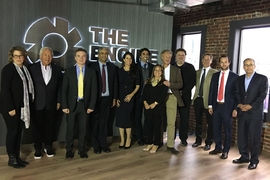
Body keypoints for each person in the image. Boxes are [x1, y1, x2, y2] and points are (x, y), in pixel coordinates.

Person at [0, 46, 34, 168]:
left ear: (24, 57)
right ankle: (12, 158)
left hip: (22, 107)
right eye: (16, 56)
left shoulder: (25, 69)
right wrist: (10, 108)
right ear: (12, 57)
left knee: (19, 132)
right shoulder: (8, 69)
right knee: (12, 132)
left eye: (21, 55)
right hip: (11, 108)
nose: (19, 58)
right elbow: (5, 90)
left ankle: (17, 156)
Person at [233, 58, 268, 170]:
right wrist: (239, 104)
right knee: (242, 136)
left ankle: (254, 161)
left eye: (250, 65)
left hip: (255, 113)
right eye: (246, 65)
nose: (248, 67)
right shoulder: (239, 79)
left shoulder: (262, 79)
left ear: (254, 66)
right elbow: (237, 93)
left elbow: (262, 95)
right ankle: (244, 156)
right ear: (243, 67)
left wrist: (251, 106)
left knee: (254, 138)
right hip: (242, 112)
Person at [62, 48, 97, 159]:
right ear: (75, 57)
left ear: (86, 58)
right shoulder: (68, 71)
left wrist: (91, 105)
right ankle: (69, 150)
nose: (81, 58)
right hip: (72, 105)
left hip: (85, 105)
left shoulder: (92, 72)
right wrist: (65, 105)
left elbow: (94, 90)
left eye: (83, 56)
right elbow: (64, 90)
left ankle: (81, 150)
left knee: (83, 129)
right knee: (70, 129)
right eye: (79, 56)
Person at [29, 47, 62, 159]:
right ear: (40, 56)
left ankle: (48, 146)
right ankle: (38, 148)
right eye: (45, 55)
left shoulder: (57, 69)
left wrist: (58, 100)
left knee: (50, 126)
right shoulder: (32, 68)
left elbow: (59, 88)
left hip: (51, 104)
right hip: (36, 103)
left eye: (50, 55)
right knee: (37, 127)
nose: (47, 57)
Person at [208, 55, 238, 159]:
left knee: (227, 130)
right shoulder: (215, 76)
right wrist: (210, 105)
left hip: (228, 107)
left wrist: (235, 108)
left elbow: (237, 94)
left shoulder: (235, 77)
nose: (224, 64)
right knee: (216, 128)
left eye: (226, 62)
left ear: (229, 63)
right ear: (219, 63)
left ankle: (226, 150)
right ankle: (218, 147)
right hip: (216, 106)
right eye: (222, 62)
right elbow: (211, 91)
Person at [89, 47, 118, 154]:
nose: (104, 55)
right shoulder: (92, 67)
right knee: (95, 122)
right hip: (95, 99)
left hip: (107, 99)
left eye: (106, 53)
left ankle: (103, 144)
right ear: (98, 55)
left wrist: (114, 97)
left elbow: (115, 83)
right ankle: (96, 145)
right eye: (102, 53)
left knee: (104, 123)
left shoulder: (112, 67)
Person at [192, 53, 217, 151]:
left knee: (210, 122)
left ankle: (208, 142)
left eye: (208, 59)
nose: (206, 61)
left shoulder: (215, 72)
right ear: (202, 61)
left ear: (211, 61)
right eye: (204, 59)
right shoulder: (197, 72)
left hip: (208, 100)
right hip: (198, 99)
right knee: (198, 121)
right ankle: (198, 140)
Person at [161, 50, 184, 155]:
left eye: (169, 57)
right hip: (159, 98)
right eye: (166, 57)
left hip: (172, 97)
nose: (167, 59)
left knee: (171, 122)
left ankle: (170, 145)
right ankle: (157, 142)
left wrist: (170, 84)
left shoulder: (176, 70)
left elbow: (180, 84)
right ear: (162, 57)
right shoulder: (157, 69)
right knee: (159, 121)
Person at [116, 52, 140, 149]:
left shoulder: (135, 71)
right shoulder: (119, 71)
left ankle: (128, 139)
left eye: (130, 58)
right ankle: (122, 139)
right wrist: (116, 98)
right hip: (120, 96)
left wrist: (131, 95)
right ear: (123, 59)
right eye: (127, 58)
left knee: (128, 118)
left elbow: (138, 86)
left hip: (130, 97)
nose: (128, 60)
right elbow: (116, 85)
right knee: (120, 118)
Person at [172, 48, 196, 147]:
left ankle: (183, 138)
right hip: (173, 96)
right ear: (176, 56)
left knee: (184, 118)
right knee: (172, 118)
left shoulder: (190, 67)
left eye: (183, 55)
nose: (181, 57)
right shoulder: (171, 66)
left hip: (185, 97)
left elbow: (192, 82)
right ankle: (171, 137)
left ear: (185, 56)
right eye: (179, 55)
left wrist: (183, 92)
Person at [142, 64, 168, 153]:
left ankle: (156, 144)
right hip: (148, 108)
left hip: (158, 108)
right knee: (149, 126)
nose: (157, 72)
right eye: (155, 70)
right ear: (153, 72)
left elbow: (163, 96)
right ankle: (149, 143)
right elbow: (144, 94)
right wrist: (145, 103)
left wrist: (155, 103)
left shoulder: (164, 83)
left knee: (157, 127)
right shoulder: (148, 82)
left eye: (159, 70)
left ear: (162, 72)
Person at [134, 48, 154, 146]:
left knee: (147, 118)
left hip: (149, 97)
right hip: (138, 96)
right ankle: (139, 137)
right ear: (140, 56)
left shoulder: (152, 67)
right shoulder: (135, 66)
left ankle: (147, 136)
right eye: (143, 54)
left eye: (147, 54)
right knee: (137, 117)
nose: (145, 56)